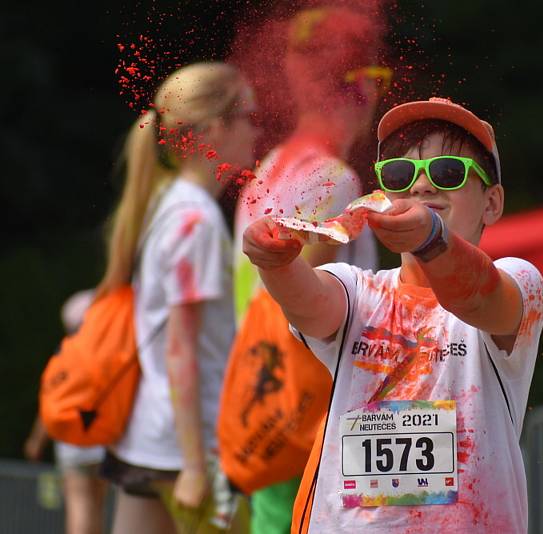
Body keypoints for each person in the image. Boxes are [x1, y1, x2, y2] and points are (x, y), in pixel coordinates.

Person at [242, 97, 543, 533]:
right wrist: (273, 260)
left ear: (492, 203)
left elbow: (482, 299)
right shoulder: (357, 288)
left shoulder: (518, 279)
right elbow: (307, 301)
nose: (421, 187)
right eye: (401, 175)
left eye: (447, 172)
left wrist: (433, 240)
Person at [231, 7, 388, 533]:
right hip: (313, 401)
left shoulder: (272, 165)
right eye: (373, 78)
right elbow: (300, 300)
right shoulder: (334, 178)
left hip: (262, 387)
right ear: (353, 87)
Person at [97, 62, 258, 534]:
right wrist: (193, 464)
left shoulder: (168, 205)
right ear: (212, 129)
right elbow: (181, 347)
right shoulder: (197, 220)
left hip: (149, 439)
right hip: (189, 448)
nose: (259, 130)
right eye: (249, 116)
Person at [24, 290, 108, 534]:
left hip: (72, 442)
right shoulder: (109, 356)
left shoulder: (65, 356)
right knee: (98, 507)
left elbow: (50, 404)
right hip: (104, 440)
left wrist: (36, 441)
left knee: (79, 505)